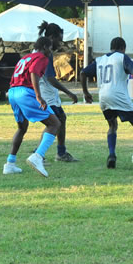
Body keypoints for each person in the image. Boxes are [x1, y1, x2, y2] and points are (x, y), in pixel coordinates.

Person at [81, 37, 133, 171]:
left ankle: (111, 155)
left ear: (111, 47)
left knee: (112, 125)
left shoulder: (100, 60)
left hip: (104, 96)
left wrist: (86, 93)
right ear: (123, 48)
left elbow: (83, 72)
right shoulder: (122, 57)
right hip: (118, 96)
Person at [3, 36, 60, 177]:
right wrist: (39, 96)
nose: (51, 51)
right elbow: (34, 72)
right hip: (25, 92)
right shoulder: (42, 57)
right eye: (51, 47)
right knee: (55, 123)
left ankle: (10, 164)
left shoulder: (26, 57)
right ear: (46, 47)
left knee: (22, 128)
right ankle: (38, 156)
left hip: (13, 91)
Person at [36, 21, 79, 162]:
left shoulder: (37, 49)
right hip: (45, 94)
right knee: (53, 123)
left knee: (61, 119)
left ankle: (60, 152)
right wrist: (69, 92)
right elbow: (50, 78)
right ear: (52, 37)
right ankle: (39, 155)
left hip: (46, 93)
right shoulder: (45, 52)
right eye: (59, 39)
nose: (60, 44)